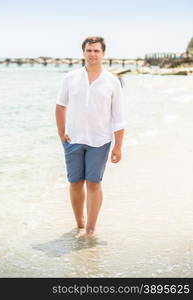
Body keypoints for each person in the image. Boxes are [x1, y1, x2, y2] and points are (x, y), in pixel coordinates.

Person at [55, 36, 125, 237]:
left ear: (103, 54)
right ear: (83, 52)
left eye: (96, 51)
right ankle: (80, 223)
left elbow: (118, 116)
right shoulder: (70, 78)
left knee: (94, 183)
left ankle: (91, 230)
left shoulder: (112, 81)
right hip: (73, 140)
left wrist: (118, 146)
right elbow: (60, 106)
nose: (92, 54)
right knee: (75, 182)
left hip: (100, 141)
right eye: (89, 50)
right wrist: (61, 134)